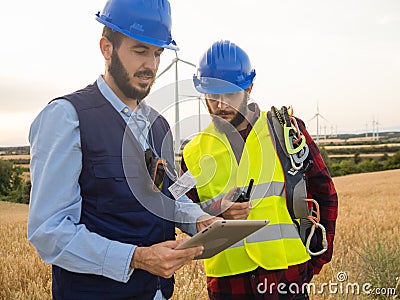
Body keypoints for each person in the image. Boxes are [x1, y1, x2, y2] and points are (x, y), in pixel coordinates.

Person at [27, 1, 219, 299]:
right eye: (140, 51)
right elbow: (49, 232)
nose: (151, 66)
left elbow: (170, 197)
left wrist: (198, 219)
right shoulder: (67, 117)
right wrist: (136, 258)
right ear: (107, 48)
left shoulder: (159, 125)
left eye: (158, 54)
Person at [181, 40, 338, 299]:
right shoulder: (193, 150)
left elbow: (324, 191)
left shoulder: (288, 130)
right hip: (227, 286)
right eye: (212, 96)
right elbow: (185, 214)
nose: (220, 105)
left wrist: (317, 258)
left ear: (249, 88)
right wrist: (218, 208)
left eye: (229, 95)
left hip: (286, 278)